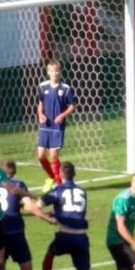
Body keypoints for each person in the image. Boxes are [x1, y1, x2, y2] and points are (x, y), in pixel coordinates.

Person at [32, 162, 95, 270]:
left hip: (65, 236)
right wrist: (57, 212)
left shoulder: (57, 190)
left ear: (60, 174)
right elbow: (73, 211)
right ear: (75, 174)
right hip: (81, 238)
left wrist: (47, 217)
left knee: (49, 254)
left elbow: (37, 206)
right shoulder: (82, 191)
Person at [36, 59, 76, 193]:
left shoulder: (66, 88)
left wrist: (62, 115)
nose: (55, 73)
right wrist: (40, 114)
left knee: (53, 155)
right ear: (48, 72)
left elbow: (73, 105)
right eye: (52, 71)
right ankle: (51, 177)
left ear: (60, 72)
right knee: (41, 156)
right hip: (45, 125)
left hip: (58, 127)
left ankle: (59, 184)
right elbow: (40, 103)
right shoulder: (42, 87)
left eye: (57, 71)